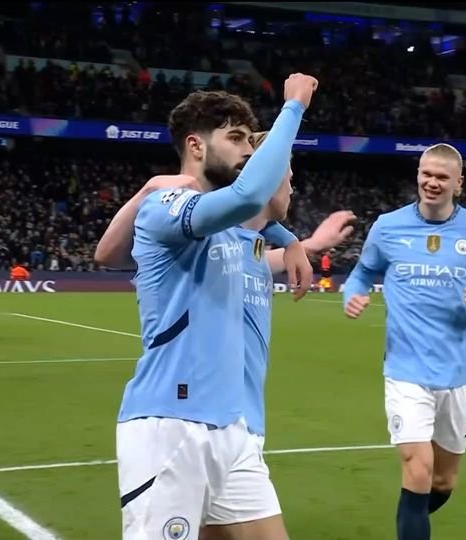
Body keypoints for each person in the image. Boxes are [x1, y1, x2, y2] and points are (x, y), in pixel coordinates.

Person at [95, 129, 355, 540]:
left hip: (237, 426)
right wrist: (146, 191)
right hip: (183, 420)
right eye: (287, 175)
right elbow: (108, 254)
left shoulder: (246, 244)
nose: (292, 185)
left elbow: (255, 249)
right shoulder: (200, 231)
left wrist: (302, 243)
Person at [342, 143, 466, 540]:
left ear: (459, 183)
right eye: (426, 174)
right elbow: (360, 275)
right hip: (405, 371)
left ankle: (410, 517)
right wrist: (352, 295)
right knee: (418, 468)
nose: (432, 182)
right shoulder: (388, 227)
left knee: (442, 481)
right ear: (417, 176)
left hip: (458, 375)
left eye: (442, 177)